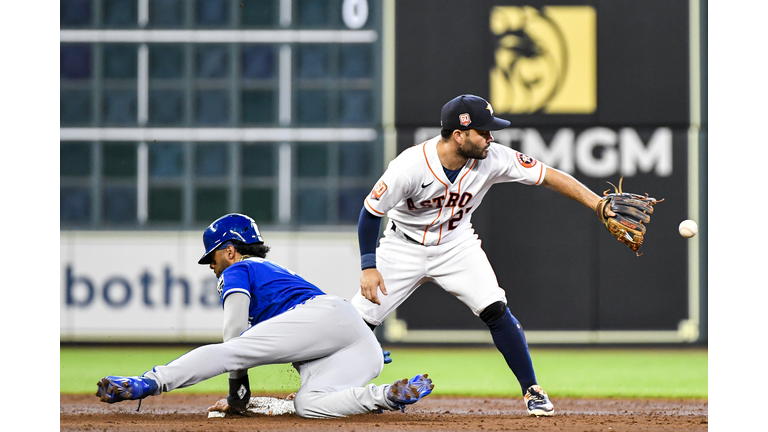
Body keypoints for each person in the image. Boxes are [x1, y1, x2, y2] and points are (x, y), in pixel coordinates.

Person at [352, 94, 617, 417]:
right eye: (483, 131)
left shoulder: (494, 157)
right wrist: (368, 266)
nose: (491, 137)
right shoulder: (409, 166)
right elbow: (371, 212)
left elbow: (548, 175)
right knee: (357, 322)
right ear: (459, 135)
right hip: (402, 247)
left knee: (495, 307)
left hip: (456, 245)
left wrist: (596, 204)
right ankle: (332, 388)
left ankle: (532, 389)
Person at [96, 213, 434, 419]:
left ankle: (150, 381)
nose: (211, 265)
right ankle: (386, 396)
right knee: (308, 404)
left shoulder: (237, 268)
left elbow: (233, 334)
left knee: (230, 350)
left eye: (212, 257)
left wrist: (237, 393)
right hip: (355, 337)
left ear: (230, 250)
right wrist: (351, 342)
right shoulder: (271, 269)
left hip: (322, 319)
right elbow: (317, 330)